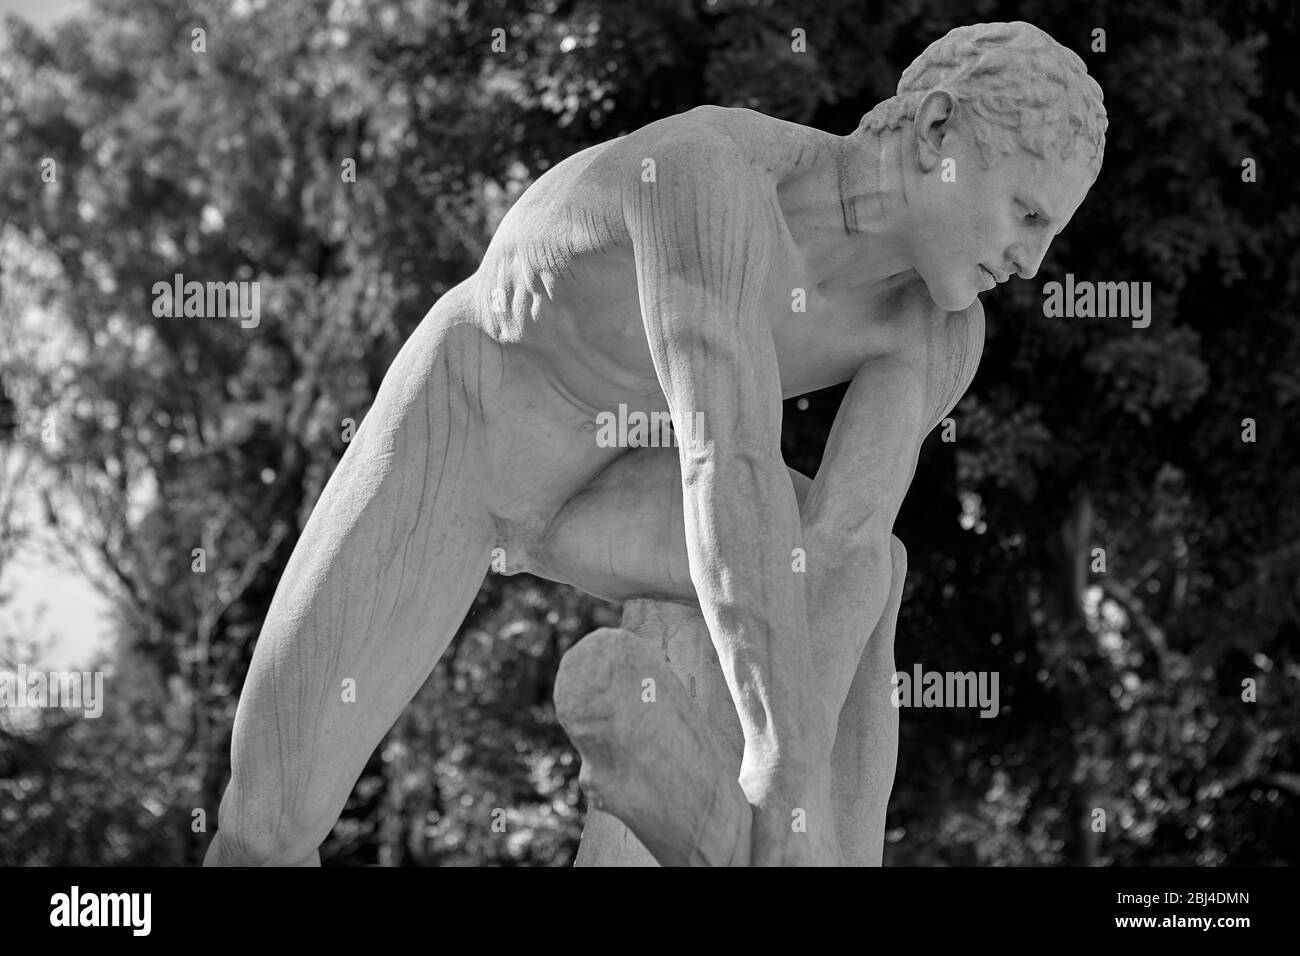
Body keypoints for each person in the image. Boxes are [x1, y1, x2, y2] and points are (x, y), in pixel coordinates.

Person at [205, 20, 1105, 867]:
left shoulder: (937, 332)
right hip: (469, 432)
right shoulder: (710, 177)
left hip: (615, 485)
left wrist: (787, 804)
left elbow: (843, 548)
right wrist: (783, 765)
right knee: (266, 824)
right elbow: (730, 460)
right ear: (937, 128)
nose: (1030, 263)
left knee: (868, 570)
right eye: (1027, 215)